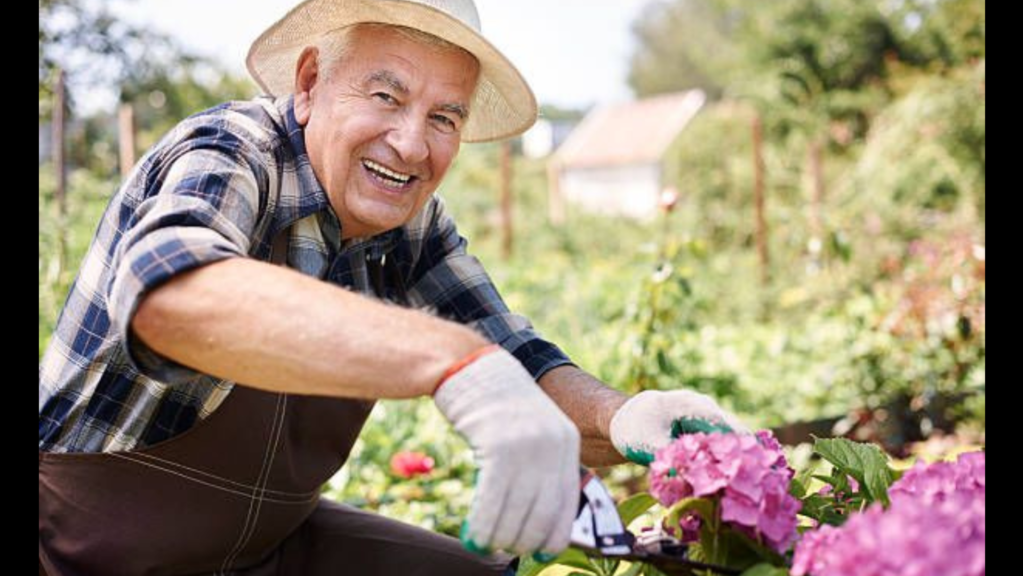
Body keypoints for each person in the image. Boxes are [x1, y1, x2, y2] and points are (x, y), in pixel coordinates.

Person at [38, 0, 747, 574]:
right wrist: (450, 361)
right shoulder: (232, 152)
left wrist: (622, 418)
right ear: (310, 83)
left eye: (444, 117)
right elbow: (171, 297)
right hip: (87, 550)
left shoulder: (411, 226)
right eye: (387, 95)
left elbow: (516, 354)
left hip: (264, 545)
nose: (412, 145)